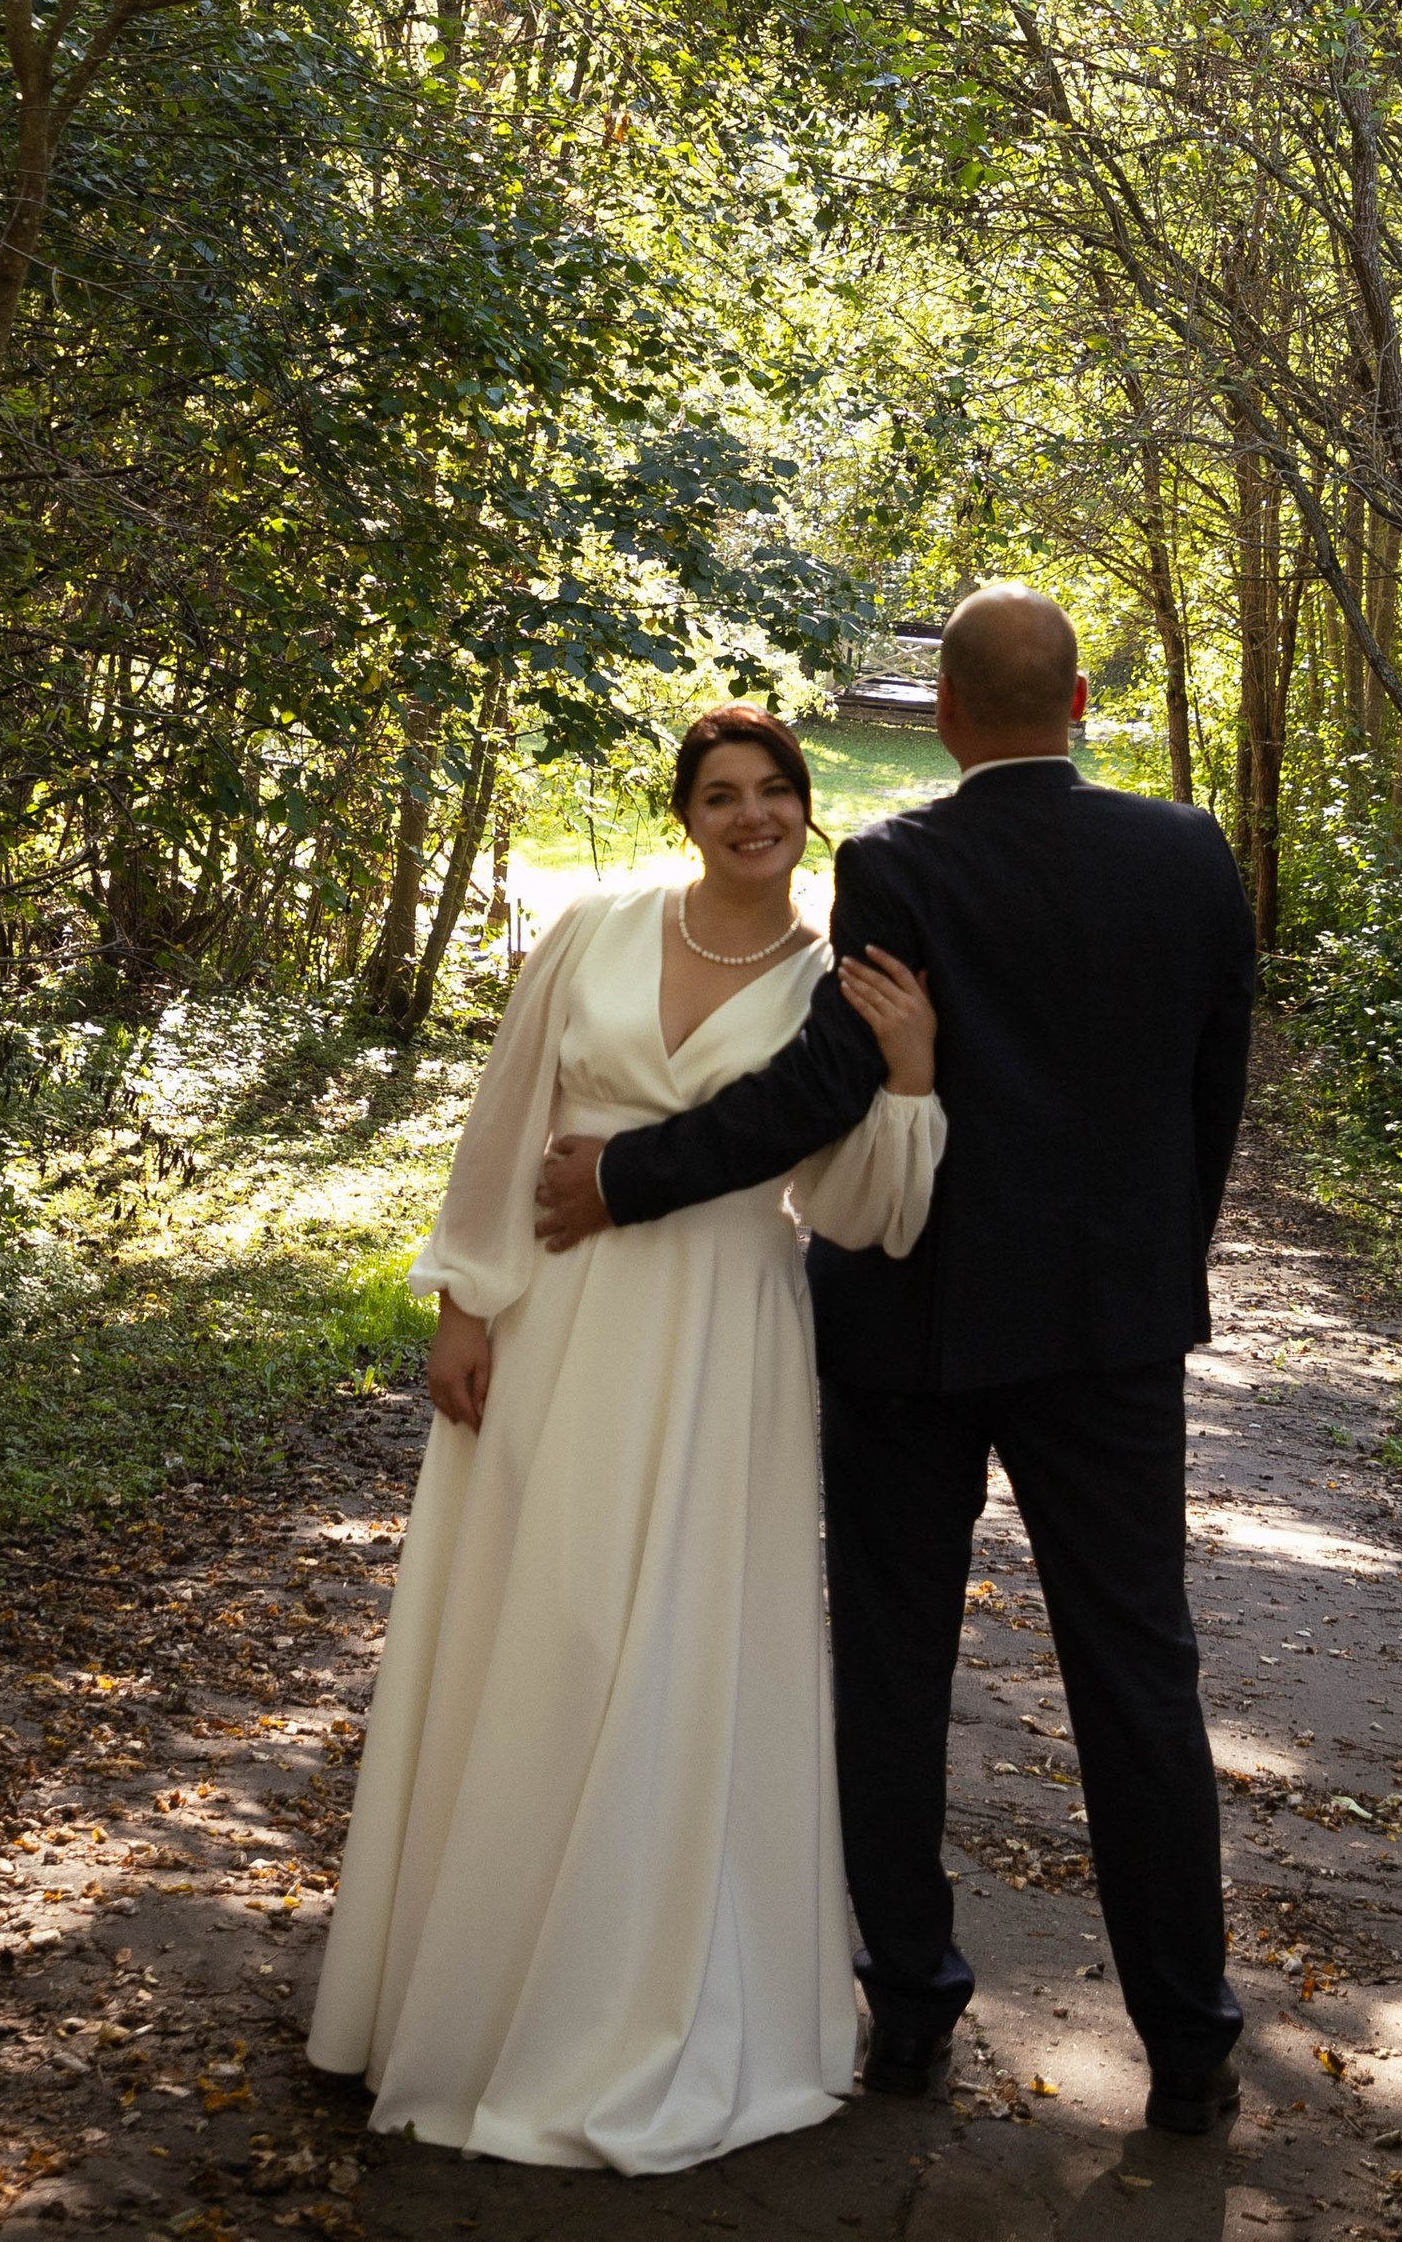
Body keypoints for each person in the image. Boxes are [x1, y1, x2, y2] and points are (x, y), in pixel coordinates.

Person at [535, 584, 1258, 2139]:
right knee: (1139, 1674)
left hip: (908, 1330)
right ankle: (1190, 2048)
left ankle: (914, 2016)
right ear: (1079, 706)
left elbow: (822, 1083)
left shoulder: (904, 860)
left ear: (944, 717)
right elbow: (1214, 1097)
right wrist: (1149, 1273)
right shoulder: (1192, 854)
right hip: (1112, 1344)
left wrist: (625, 1176)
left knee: (894, 1666)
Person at [307, 703, 941, 2173]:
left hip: (725, 1342)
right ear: (686, 814)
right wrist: (466, 1298)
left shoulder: (832, 987)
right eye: (720, 795)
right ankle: (471, 1992)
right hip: (561, 1326)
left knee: (665, 1657)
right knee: (543, 1632)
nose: (750, 817)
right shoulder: (593, 928)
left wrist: (907, 1076)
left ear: (806, 809)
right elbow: (504, 1114)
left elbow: (861, 1214)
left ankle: (638, 2005)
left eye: (774, 791)